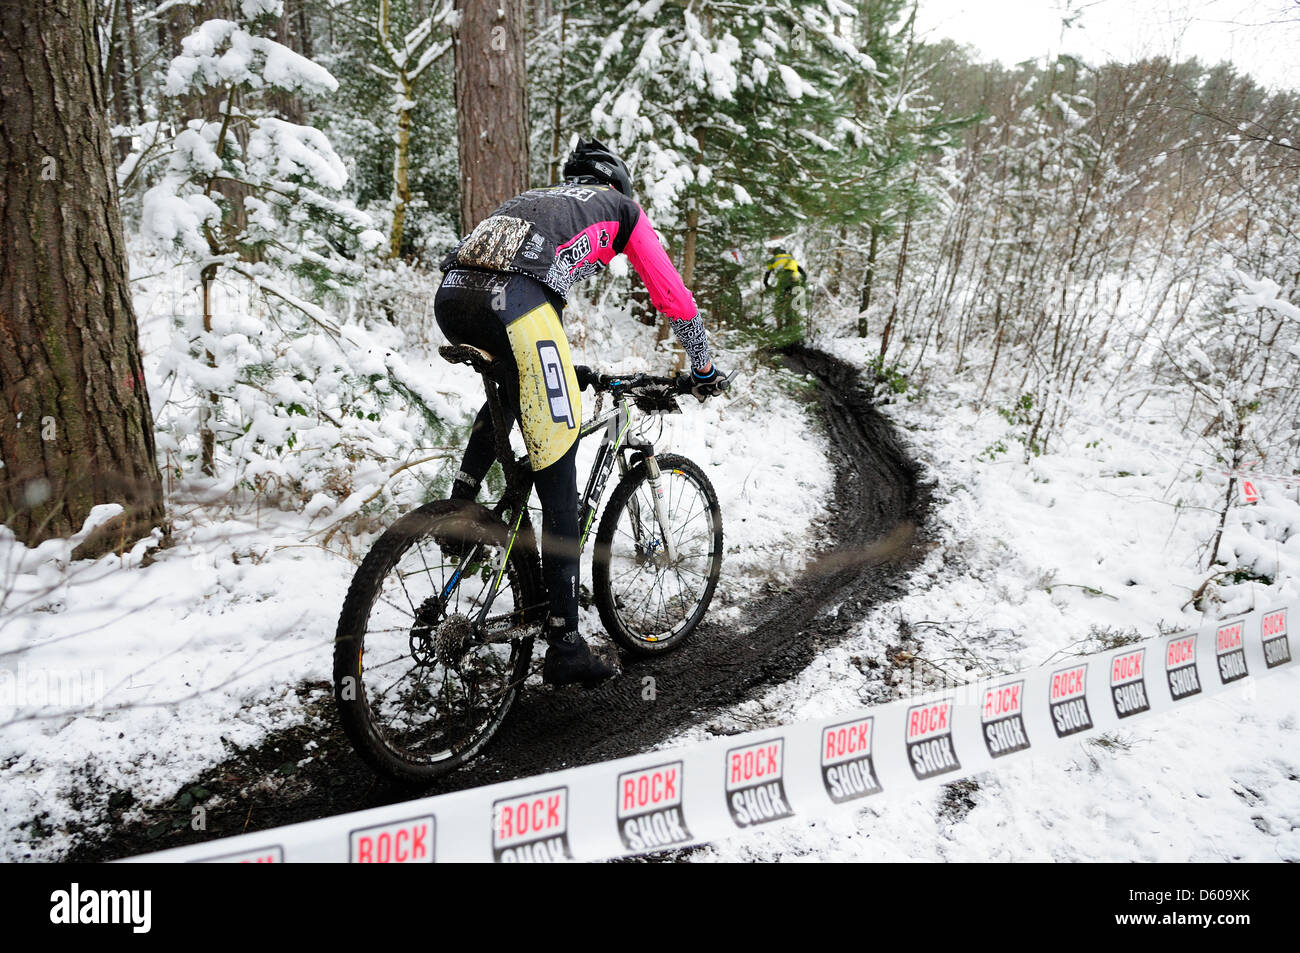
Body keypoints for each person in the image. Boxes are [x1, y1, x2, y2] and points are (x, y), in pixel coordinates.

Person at [434, 138, 728, 688]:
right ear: (618, 184)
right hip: (518, 303)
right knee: (560, 453)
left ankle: (459, 511)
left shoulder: (541, 198)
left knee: (509, 382)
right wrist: (704, 367)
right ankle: (566, 642)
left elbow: (516, 285)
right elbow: (673, 297)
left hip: (452, 296)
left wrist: (569, 365)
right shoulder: (620, 209)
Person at [763, 245, 807, 334]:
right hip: (795, 279)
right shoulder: (791, 259)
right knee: (794, 304)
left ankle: (780, 328)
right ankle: (792, 327)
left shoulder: (773, 260)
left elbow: (767, 273)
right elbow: (803, 273)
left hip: (783, 280)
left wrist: (767, 284)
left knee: (779, 304)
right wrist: (802, 283)